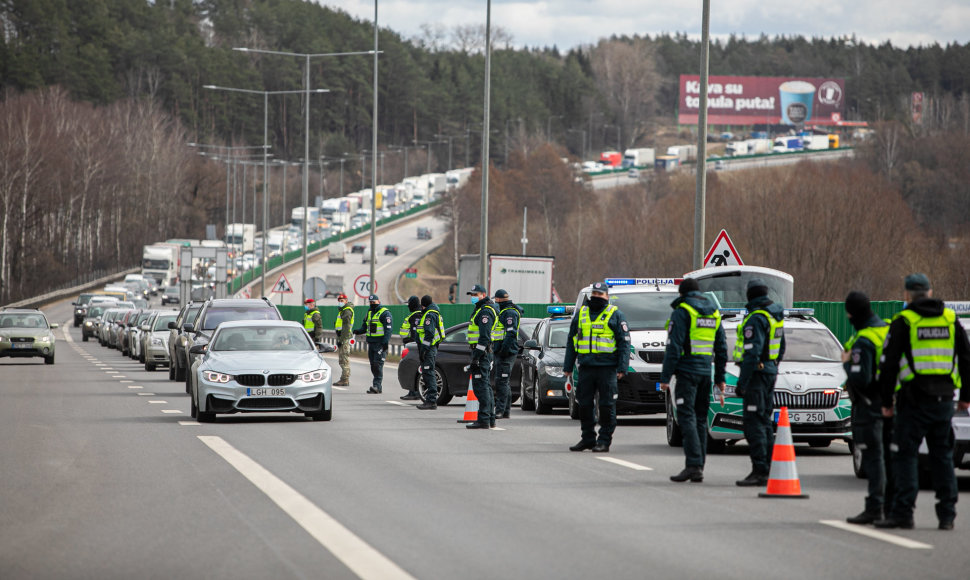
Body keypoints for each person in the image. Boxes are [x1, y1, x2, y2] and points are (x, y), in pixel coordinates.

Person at [874, 273, 970, 531]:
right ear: (930, 291)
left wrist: (886, 401)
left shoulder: (904, 321)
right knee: (943, 457)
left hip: (913, 402)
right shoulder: (951, 320)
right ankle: (947, 515)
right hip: (944, 402)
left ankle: (904, 513)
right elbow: (966, 359)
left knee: (906, 457)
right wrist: (966, 398)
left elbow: (889, 365)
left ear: (907, 295)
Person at [659, 278, 728, 483]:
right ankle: (698, 466)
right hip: (705, 373)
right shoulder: (713, 313)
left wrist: (665, 377)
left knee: (686, 418)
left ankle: (693, 465)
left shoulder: (683, 311)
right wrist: (720, 378)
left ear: (682, 294)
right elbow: (722, 348)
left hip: (687, 373)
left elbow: (673, 347)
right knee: (699, 419)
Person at [841, 291, 894, 525]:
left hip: (870, 405)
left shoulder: (864, 340)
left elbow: (860, 378)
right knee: (891, 459)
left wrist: (845, 362)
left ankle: (874, 508)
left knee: (873, 459)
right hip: (891, 404)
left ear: (852, 314)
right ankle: (892, 508)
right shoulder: (888, 330)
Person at [562, 282, 631, 453]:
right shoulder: (581, 314)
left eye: (600, 294)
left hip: (607, 369)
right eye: (595, 294)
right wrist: (568, 366)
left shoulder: (615, 314)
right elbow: (571, 341)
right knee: (584, 405)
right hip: (585, 368)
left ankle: (604, 441)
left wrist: (623, 367)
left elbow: (624, 343)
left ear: (607, 297)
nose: (597, 297)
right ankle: (588, 439)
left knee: (607, 406)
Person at [734, 278, 786, 486]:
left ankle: (760, 471)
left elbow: (752, 353)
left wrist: (742, 383)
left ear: (751, 295)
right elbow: (781, 348)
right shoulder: (775, 316)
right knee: (764, 421)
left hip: (757, 375)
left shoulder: (756, 318)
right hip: (770, 371)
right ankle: (769, 468)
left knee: (753, 423)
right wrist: (773, 366)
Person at [465, 284, 498, 429]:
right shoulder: (481, 309)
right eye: (471, 294)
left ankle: (484, 418)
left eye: (475, 294)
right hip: (482, 353)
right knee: (485, 386)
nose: (473, 297)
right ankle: (488, 418)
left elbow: (484, 338)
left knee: (481, 387)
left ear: (483, 295)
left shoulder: (485, 312)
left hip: (482, 353)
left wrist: (476, 357)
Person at [492, 289, 523, 420]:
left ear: (499, 299)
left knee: (501, 382)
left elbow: (510, 333)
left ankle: (500, 410)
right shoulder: (505, 311)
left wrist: (503, 350)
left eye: (495, 299)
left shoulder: (509, 313)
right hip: (503, 351)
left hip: (507, 352)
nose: (494, 301)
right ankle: (505, 411)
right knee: (504, 382)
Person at [354, 294, 393, 394]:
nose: (372, 304)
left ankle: (377, 385)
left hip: (380, 343)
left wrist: (385, 342)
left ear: (378, 301)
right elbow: (365, 326)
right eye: (370, 302)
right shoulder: (369, 312)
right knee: (372, 365)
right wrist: (358, 331)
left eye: (374, 302)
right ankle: (377, 386)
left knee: (377, 365)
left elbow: (388, 329)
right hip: (371, 343)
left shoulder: (385, 313)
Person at [416, 295, 446, 410]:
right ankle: (430, 400)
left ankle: (431, 400)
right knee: (428, 372)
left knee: (429, 372)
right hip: (430, 348)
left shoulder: (430, 315)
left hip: (429, 349)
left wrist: (424, 350)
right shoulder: (433, 313)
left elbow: (429, 334)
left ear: (423, 305)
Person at [399, 296, 424, 401]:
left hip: (412, 347)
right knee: (417, 369)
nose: (408, 306)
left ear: (412, 304)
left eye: (409, 304)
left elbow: (415, 332)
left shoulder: (415, 316)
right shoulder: (419, 314)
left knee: (412, 368)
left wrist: (410, 342)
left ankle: (413, 392)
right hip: (413, 346)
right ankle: (416, 391)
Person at [333, 293, 354, 386]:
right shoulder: (342, 310)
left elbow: (346, 327)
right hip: (342, 336)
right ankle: (344, 378)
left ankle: (345, 379)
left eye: (342, 301)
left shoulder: (347, 311)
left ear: (346, 301)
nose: (340, 302)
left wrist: (341, 339)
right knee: (342, 359)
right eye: (339, 301)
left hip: (344, 337)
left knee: (344, 359)